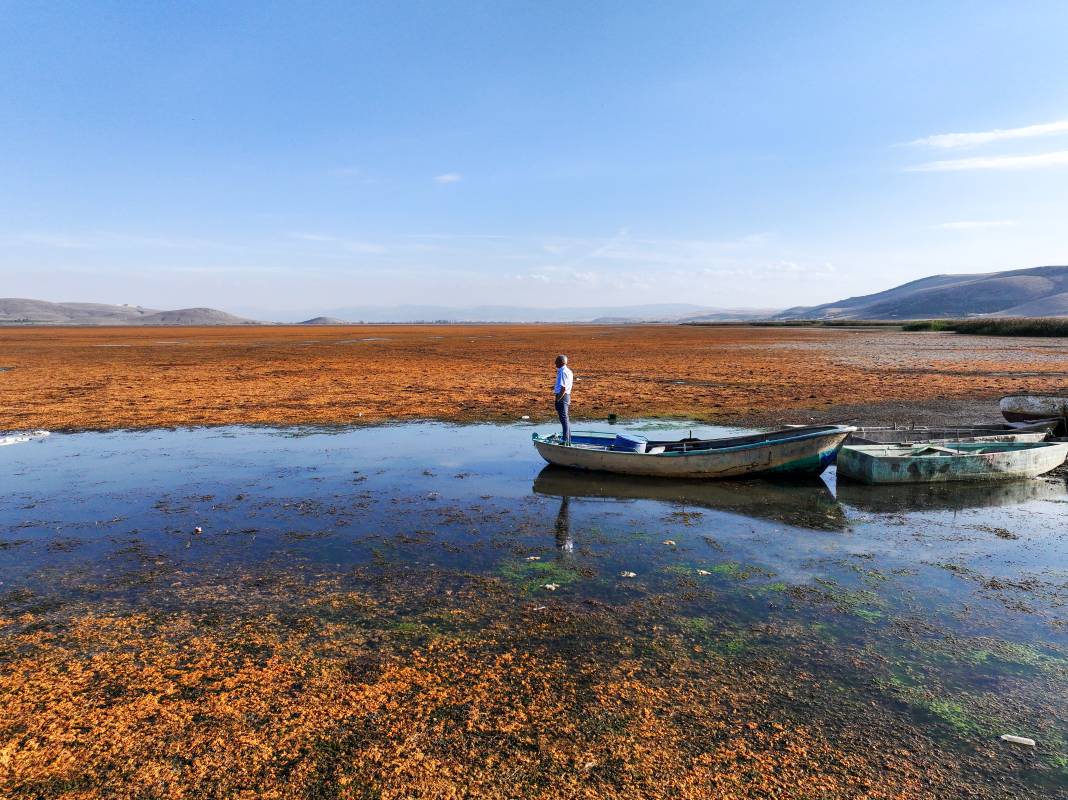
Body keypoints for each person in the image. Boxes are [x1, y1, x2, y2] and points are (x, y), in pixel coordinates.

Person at [553, 354, 573, 444]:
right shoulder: (568, 371)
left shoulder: (563, 372)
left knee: (564, 419)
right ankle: (567, 439)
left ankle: (565, 440)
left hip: (562, 397)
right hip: (566, 396)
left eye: (557, 361)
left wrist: (558, 399)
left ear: (562, 362)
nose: (555, 362)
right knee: (565, 418)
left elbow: (563, 388)